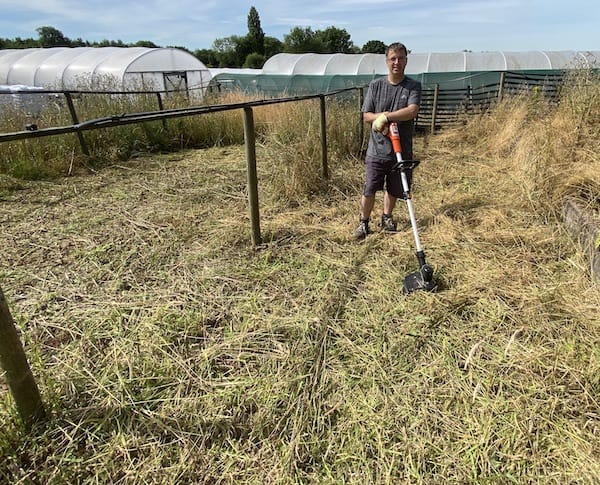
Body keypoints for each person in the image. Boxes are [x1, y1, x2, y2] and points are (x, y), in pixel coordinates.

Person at [353, 42, 422, 240]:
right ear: (386, 61)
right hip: (377, 150)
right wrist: (379, 119)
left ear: (406, 61)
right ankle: (364, 223)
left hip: (401, 149)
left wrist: (386, 117)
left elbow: (411, 111)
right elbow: (366, 115)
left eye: (401, 58)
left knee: (393, 188)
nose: (396, 62)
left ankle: (387, 217)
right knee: (370, 188)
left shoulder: (413, 86)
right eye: (393, 58)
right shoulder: (376, 86)